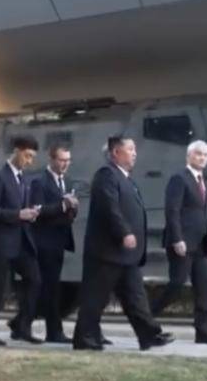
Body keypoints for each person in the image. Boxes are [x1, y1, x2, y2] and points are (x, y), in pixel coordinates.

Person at [72, 136, 174, 351]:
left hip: (127, 255)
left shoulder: (126, 179)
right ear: (116, 153)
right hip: (107, 251)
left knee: (136, 297)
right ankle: (84, 338)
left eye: (135, 149)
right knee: (95, 297)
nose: (135, 153)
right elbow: (109, 207)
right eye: (130, 149)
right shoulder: (106, 175)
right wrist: (124, 232)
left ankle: (149, 335)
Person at [151, 140, 207, 344]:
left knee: (203, 289)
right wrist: (177, 239)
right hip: (182, 243)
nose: (202, 158)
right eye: (198, 154)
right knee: (176, 284)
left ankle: (203, 333)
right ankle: (145, 317)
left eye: (205, 155)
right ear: (189, 156)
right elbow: (172, 211)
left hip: (201, 245)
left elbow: (206, 215)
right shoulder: (179, 178)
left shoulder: (203, 181)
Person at [0, 136, 42, 345]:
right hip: (2, 242)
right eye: (27, 156)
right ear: (16, 151)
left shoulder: (24, 179)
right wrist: (18, 214)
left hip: (22, 241)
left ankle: (22, 326)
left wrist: (31, 214)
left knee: (35, 279)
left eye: (32, 157)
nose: (29, 161)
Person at [29, 145, 79, 343]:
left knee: (49, 287)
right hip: (45, 241)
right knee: (50, 288)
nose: (65, 164)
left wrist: (72, 209)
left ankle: (21, 322)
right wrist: (63, 205)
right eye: (61, 160)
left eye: (68, 160)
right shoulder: (40, 182)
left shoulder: (67, 181)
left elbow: (67, 210)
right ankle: (53, 332)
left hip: (59, 240)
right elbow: (38, 210)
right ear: (51, 159)